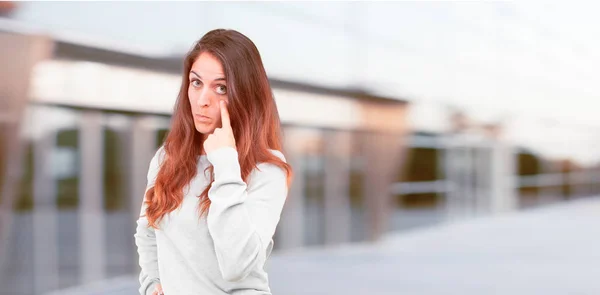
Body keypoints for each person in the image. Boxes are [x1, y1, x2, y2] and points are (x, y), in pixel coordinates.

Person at [134, 29, 293, 295]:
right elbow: (147, 231)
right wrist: (152, 283)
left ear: (244, 95)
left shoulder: (267, 169)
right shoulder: (167, 158)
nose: (203, 100)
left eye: (221, 88)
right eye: (196, 83)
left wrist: (226, 165)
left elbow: (237, 265)